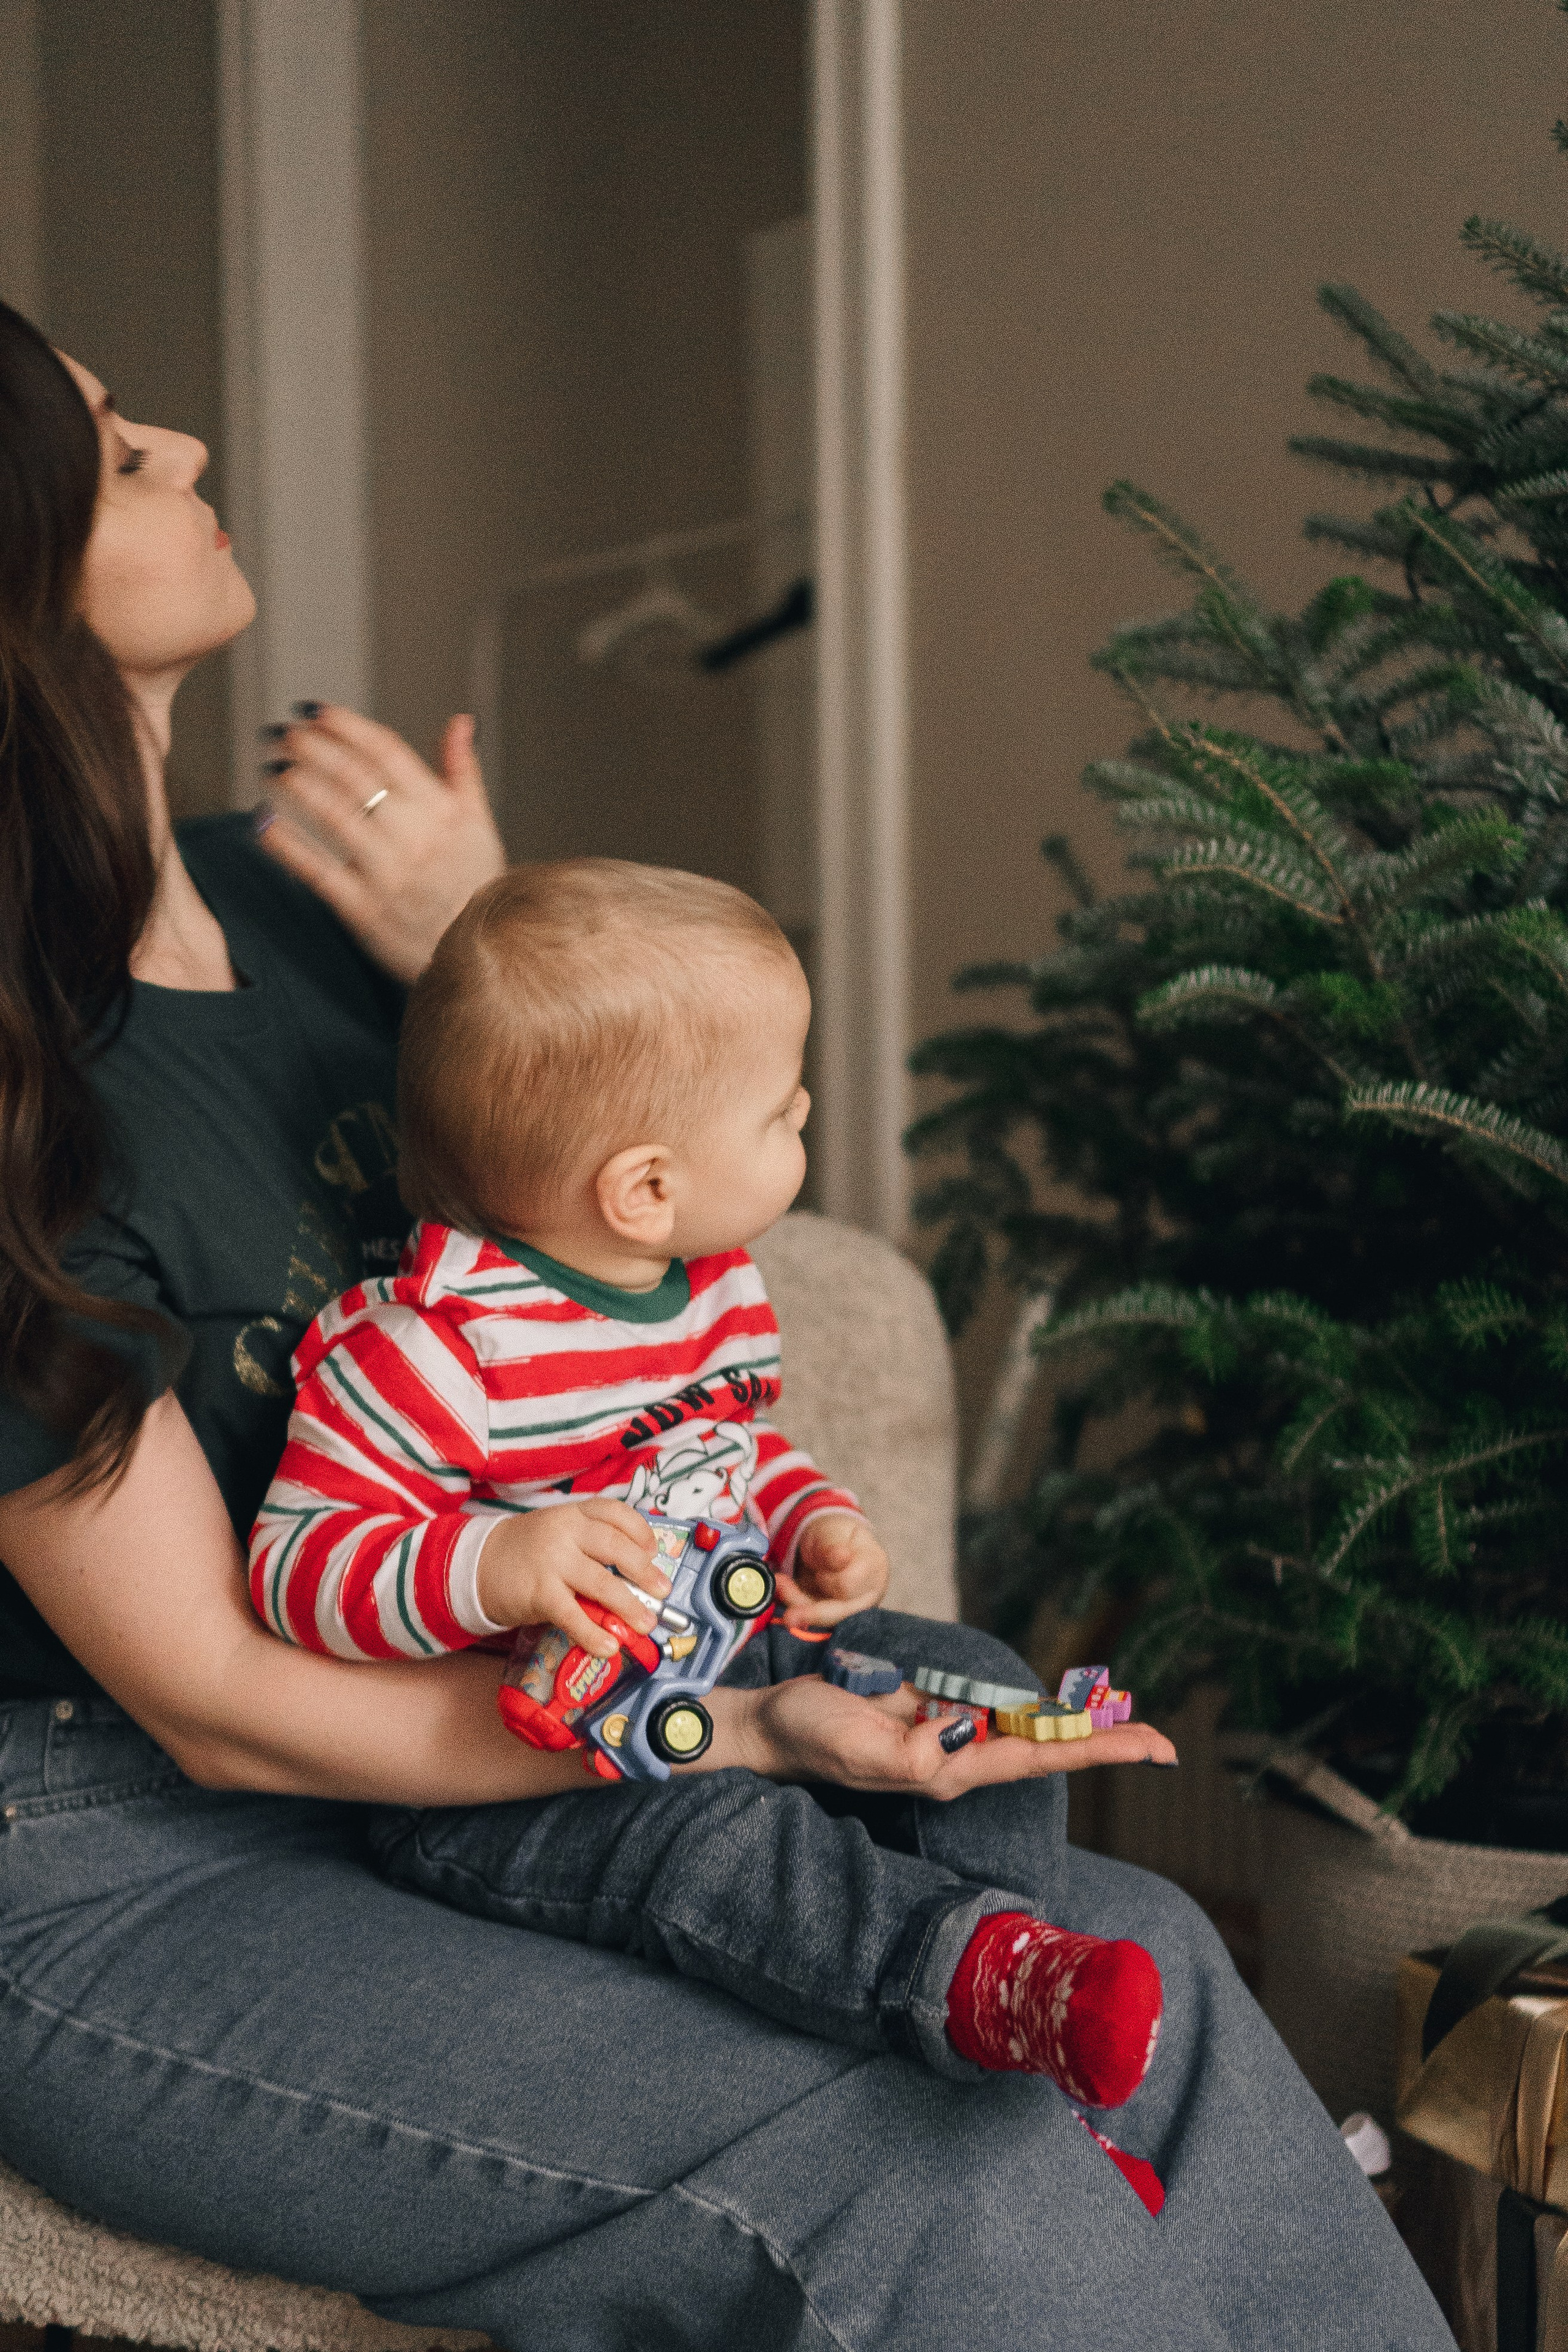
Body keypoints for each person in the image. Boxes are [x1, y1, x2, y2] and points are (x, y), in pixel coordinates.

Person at [0, 296, 1457, 2349]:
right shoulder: (22, 1087)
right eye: (124, 457)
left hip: (530, 1753)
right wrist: (733, 1727)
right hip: (126, 1865)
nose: (193, 454)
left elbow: (648, 1245)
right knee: (914, 2156)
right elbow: (221, 1706)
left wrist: (476, 946)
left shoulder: (333, 909)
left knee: (1140, 1950)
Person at [246, 859, 1167, 2176]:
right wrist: (493, 1563)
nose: (805, 1123)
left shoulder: (710, 1289)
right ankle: (941, 1971)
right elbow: (295, 1568)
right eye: (781, 1116)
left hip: (720, 1652)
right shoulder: (431, 1352)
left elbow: (729, 1455)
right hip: (502, 1776)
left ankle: (1013, 1975)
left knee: (970, 1677)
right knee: (722, 1841)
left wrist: (807, 1522)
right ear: (643, 1189)